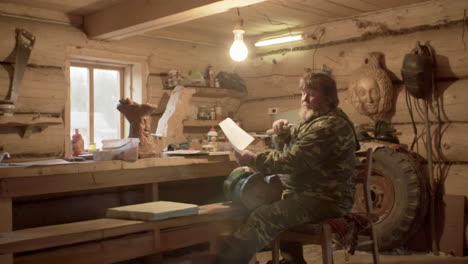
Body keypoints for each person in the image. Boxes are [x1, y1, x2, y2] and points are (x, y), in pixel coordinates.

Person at [216, 73, 359, 264]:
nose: (304, 99)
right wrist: (281, 135)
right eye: (302, 93)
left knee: (264, 216)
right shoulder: (315, 121)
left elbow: (292, 161)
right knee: (257, 202)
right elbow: (292, 144)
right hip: (305, 194)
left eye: (311, 94)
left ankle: (226, 262)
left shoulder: (329, 125)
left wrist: (254, 159)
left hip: (326, 198)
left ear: (329, 98)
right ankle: (293, 261)